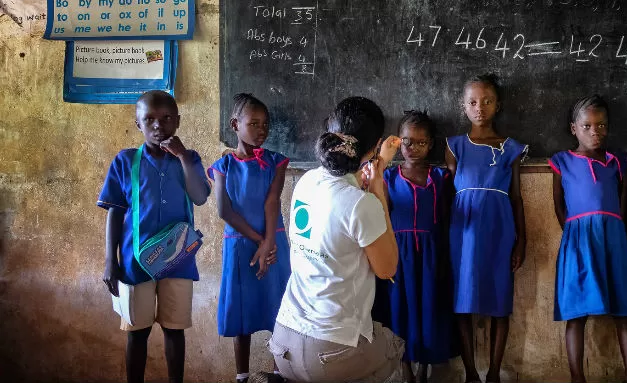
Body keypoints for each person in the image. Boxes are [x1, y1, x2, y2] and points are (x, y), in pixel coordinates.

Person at [268, 97, 404, 383]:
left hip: (283, 341)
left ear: (329, 133)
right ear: (375, 145)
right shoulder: (362, 203)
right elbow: (387, 268)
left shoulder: (306, 181)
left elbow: (343, 196)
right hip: (329, 352)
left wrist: (375, 168)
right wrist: (378, 189)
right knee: (393, 348)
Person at [99, 90, 210, 383]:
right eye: (149, 119)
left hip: (179, 261)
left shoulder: (189, 159)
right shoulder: (125, 161)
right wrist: (111, 261)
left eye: (166, 118)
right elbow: (115, 212)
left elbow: (200, 197)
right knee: (137, 333)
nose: (158, 125)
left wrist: (182, 156)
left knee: (175, 330)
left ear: (178, 121)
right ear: (138, 124)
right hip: (134, 263)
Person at [548, 94, 627, 383]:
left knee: (623, 309)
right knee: (576, 312)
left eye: (601, 125)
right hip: (578, 242)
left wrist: (617, 227)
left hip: (613, 239)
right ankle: (577, 377)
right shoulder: (562, 161)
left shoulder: (618, 161)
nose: (595, 131)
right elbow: (558, 205)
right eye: (587, 126)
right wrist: (574, 235)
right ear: (574, 128)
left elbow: (625, 200)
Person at [445, 73, 528, 383]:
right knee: (462, 302)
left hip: (499, 230)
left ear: (498, 105)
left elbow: (516, 198)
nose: (480, 107)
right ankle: (470, 373)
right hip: (463, 233)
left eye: (487, 101)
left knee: (500, 301)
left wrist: (521, 241)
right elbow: (448, 194)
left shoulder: (511, 148)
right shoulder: (454, 146)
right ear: (463, 106)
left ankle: (493, 372)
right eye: (473, 102)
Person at [207, 93, 289, 383]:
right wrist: (259, 242)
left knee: (278, 308)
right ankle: (242, 376)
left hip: (274, 242)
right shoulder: (223, 166)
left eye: (265, 124)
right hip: (241, 245)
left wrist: (268, 244)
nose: (261, 129)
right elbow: (224, 211)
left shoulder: (277, 162)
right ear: (235, 125)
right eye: (254, 123)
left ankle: (279, 373)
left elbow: (272, 202)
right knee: (241, 311)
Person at [373, 110, 456, 383]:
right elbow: (381, 214)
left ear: (430, 144)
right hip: (399, 255)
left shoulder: (441, 178)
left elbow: (446, 216)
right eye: (407, 141)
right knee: (400, 309)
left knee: (429, 308)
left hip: (431, 255)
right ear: (397, 142)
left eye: (421, 142)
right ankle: (406, 369)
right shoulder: (388, 177)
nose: (413, 148)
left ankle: (424, 369)